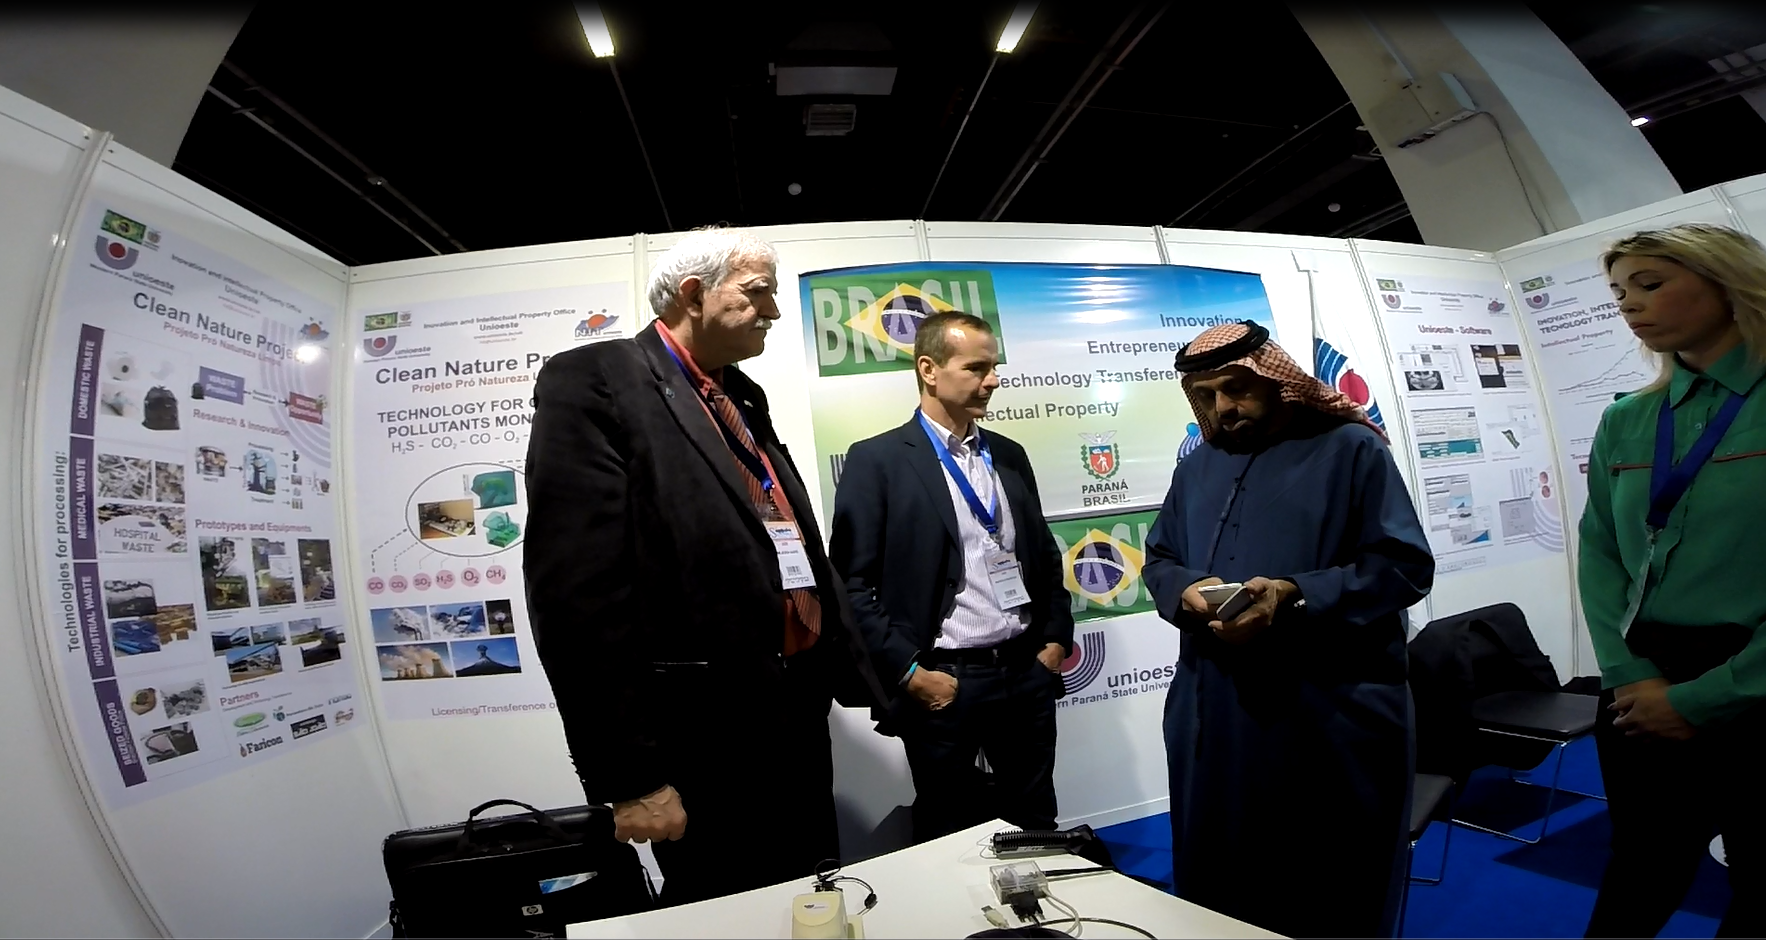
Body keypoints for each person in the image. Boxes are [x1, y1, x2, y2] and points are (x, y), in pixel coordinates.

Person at [523, 227, 886, 906]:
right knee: (731, 908)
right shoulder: (596, 381)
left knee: (811, 894)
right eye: (758, 292)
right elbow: (575, 597)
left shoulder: (740, 394)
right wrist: (632, 778)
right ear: (694, 295)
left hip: (795, 713)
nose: (774, 310)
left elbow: (785, 536)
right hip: (702, 740)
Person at [1142, 320, 1434, 938]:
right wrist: (1186, 590)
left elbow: (1404, 567)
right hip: (1213, 707)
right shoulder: (1197, 467)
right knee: (1219, 880)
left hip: (1326, 710)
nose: (1224, 407)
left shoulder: (1351, 450)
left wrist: (1294, 595)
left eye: (1237, 388)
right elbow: (1160, 558)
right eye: (1208, 395)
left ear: (1277, 381)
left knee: (1325, 880)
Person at [1579, 223, 1766, 939]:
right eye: (1619, 292)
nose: (1629, 304)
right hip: (1644, 679)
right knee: (1641, 868)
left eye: (1650, 284)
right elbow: (1600, 551)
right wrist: (1628, 672)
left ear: (1728, 281)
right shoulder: (1626, 420)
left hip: (1754, 678)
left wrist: (1701, 700)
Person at [829, 311, 1074, 843]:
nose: (994, 380)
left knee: (1036, 823)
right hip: (944, 684)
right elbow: (851, 586)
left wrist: (1055, 639)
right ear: (929, 369)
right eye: (976, 368)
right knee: (951, 836)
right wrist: (909, 672)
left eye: (994, 367)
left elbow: (1041, 555)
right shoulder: (878, 461)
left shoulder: (1009, 454)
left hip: (1024, 673)